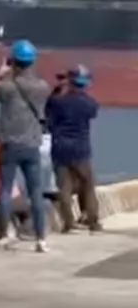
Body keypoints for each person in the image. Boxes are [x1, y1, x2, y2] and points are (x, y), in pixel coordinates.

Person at [0, 39, 52, 251]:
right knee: (35, 192)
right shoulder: (43, 87)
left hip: (9, 144)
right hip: (32, 144)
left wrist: (1, 73)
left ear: (13, 61)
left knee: (5, 190)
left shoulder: (5, 86)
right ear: (32, 62)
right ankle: (41, 239)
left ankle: (3, 236)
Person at [46, 64, 102, 233]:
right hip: (81, 149)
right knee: (88, 185)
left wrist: (56, 90)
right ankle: (92, 221)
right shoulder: (90, 103)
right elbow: (92, 113)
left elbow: (48, 111)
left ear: (70, 81)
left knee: (64, 187)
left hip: (60, 147)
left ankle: (68, 223)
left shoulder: (58, 102)